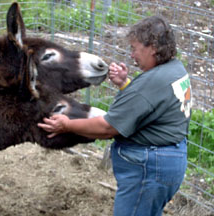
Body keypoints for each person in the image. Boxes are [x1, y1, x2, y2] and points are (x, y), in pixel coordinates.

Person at [38, 15, 192, 216]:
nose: (132, 55)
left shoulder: (151, 84)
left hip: (149, 170)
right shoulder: (174, 69)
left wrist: (67, 124)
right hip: (167, 161)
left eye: (135, 48)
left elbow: (107, 128)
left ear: (153, 47)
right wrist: (124, 83)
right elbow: (151, 106)